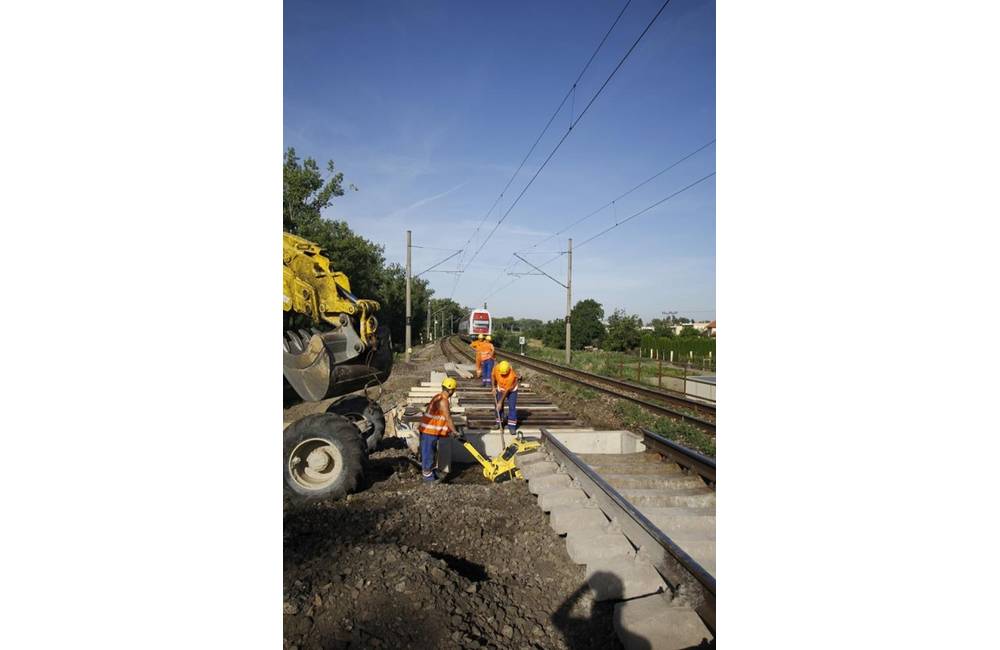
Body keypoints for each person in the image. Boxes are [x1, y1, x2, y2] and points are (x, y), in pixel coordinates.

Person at [417, 377, 460, 481]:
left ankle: (430, 471)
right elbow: (448, 418)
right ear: (450, 390)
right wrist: (454, 431)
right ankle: (428, 478)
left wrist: (447, 430)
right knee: (428, 454)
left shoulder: (438, 396)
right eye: (453, 390)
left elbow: (440, 417)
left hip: (429, 431)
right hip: (429, 431)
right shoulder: (443, 401)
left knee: (431, 453)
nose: (453, 392)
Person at [491, 360, 519, 438]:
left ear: (508, 370)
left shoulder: (511, 376)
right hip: (500, 388)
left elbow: (507, 390)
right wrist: (493, 387)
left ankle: (512, 427)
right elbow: (493, 376)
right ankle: (499, 423)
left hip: (511, 390)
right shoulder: (497, 368)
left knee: (512, 407)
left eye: (505, 374)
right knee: (498, 407)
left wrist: (500, 402)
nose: (503, 375)